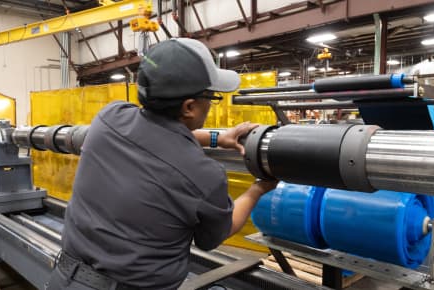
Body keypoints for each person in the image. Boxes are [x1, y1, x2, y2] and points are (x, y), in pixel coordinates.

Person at [46, 38, 278, 290]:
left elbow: (157, 135)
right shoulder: (203, 175)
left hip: (64, 278)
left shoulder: (110, 117)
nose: (211, 103)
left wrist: (218, 138)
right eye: (211, 96)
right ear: (189, 106)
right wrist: (259, 188)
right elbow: (215, 236)